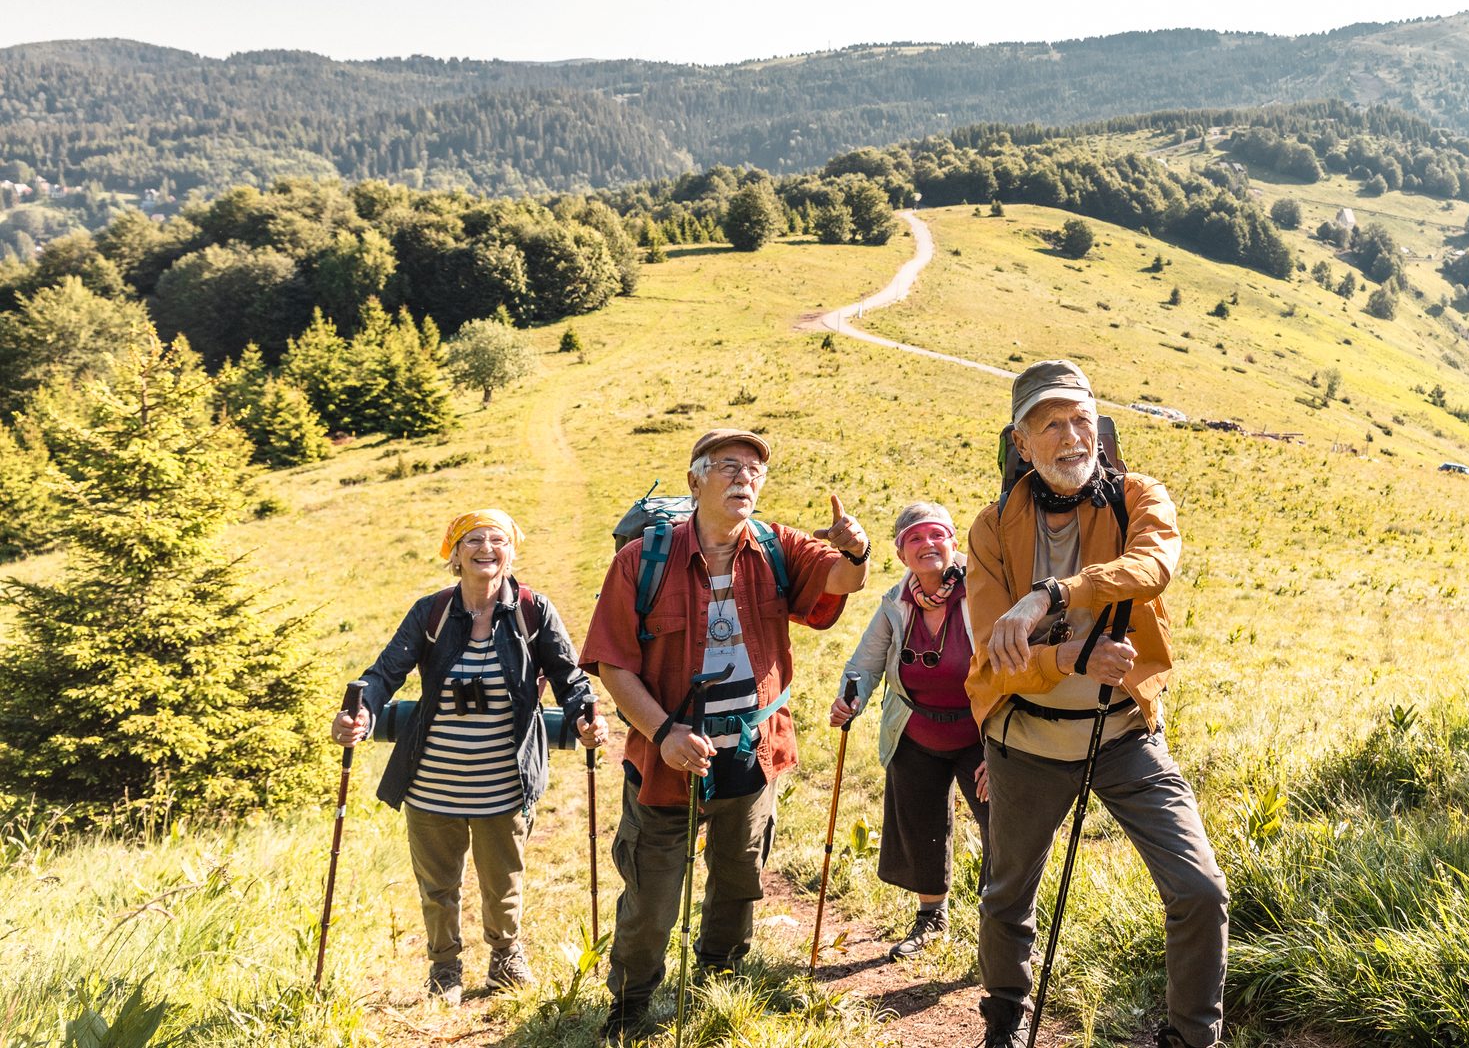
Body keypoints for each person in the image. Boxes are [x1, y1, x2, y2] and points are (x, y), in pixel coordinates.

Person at [966, 360, 1229, 1048]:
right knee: (1006, 897)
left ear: (1099, 426)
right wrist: (1075, 658)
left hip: (1125, 735)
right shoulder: (991, 528)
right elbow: (996, 659)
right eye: (1049, 423)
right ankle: (1002, 1018)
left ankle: (1191, 1037)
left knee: (1199, 888)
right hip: (1024, 741)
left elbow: (1153, 567)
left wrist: (1051, 595)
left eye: (1080, 418)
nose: (1070, 435)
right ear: (1020, 442)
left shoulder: (1140, 496)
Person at [579, 428, 873, 1043]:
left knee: (739, 873)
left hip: (752, 747)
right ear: (694, 482)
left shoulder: (776, 547)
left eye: (755, 470)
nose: (745, 478)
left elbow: (841, 583)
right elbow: (613, 663)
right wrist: (662, 733)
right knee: (654, 897)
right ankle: (630, 1006)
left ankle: (718, 976)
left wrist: (856, 551)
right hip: (665, 757)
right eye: (729, 467)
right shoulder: (641, 560)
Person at [331, 508, 610, 1004]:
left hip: (504, 780)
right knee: (439, 886)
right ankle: (444, 970)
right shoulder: (431, 613)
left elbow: (570, 678)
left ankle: (505, 958)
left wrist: (587, 717)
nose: (486, 548)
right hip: (430, 779)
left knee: (502, 881)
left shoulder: (533, 611)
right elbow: (382, 674)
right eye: (473, 540)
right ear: (454, 554)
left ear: (511, 550)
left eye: (497, 539)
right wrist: (361, 714)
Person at [829, 501, 991, 961]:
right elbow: (864, 663)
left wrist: (1001, 750)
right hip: (916, 731)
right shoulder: (895, 603)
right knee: (920, 826)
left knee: (1001, 827)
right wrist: (849, 701)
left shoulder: (981, 592)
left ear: (953, 543)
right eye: (915, 539)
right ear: (901, 554)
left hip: (980, 734)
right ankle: (931, 918)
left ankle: (1000, 924)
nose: (927, 545)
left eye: (936, 535)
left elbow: (1005, 669)